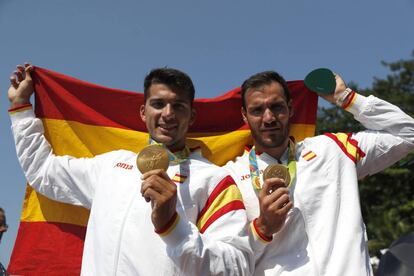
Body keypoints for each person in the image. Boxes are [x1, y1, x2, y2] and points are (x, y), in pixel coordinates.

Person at [8, 64, 253, 275]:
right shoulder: (112, 166)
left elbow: (237, 266)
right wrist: (21, 109)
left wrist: (173, 226)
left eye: (178, 106)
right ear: (143, 112)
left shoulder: (214, 180)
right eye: (158, 104)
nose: (168, 114)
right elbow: (44, 171)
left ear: (192, 116)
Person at [224, 70, 414, 275]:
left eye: (276, 107)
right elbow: (223, 259)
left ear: (290, 108)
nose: (268, 118)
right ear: (244, 115)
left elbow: (408, 134)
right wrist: (262, 228)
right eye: (257, 110)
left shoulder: (333, 149)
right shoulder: (230, 177)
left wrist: (346, 97)